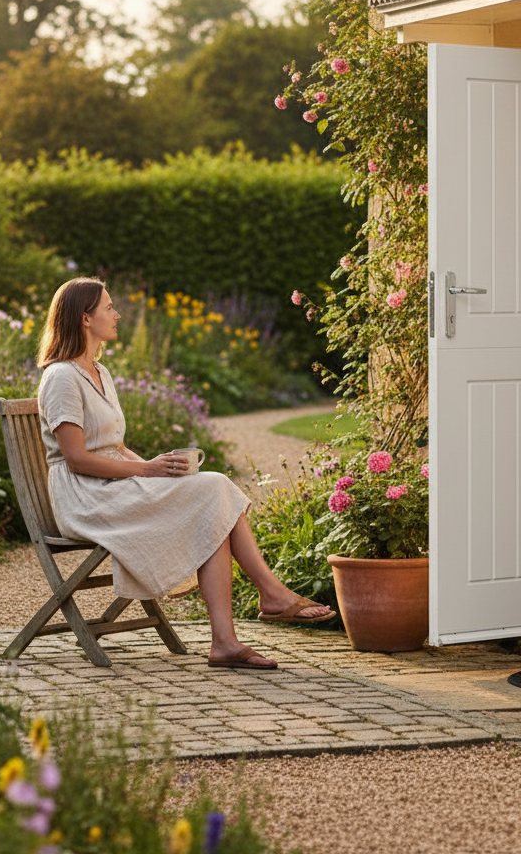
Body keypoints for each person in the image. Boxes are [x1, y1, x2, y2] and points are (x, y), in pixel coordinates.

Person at [36, 276, 334, 670]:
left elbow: (114, 444)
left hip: (113, 484)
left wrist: (159, 469)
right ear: (84, 318)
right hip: (86, 497)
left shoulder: (99, 372)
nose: (118, 314)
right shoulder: (61, 377)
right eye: (109, 307)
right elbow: (77, 458)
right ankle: (267, 601)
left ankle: (231, 637)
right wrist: (144, 469)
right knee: (213, 490)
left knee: (209, 495)